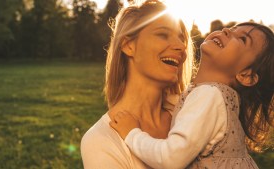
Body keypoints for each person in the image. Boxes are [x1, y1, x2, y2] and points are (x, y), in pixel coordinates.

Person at [110, 21, 274, 169]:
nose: (225, 31)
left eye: (242, 39)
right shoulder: (222, 98)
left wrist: (132, 133)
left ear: (246, 76)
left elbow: (171, 158)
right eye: (231, 29)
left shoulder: (209, 96)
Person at [80, 0, 194, 168]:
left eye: (181, 38)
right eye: (162, 34)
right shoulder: (100, 141)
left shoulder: (191, 115)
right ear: (128, 46)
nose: (181, 47)